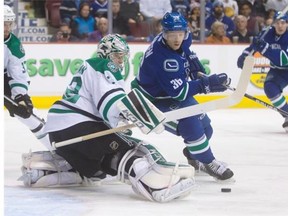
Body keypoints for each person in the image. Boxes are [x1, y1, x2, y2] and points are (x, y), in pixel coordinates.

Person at [18, 34, 195, 202]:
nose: (121, 61)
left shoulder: (90, 67)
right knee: (131, 149)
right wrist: (137, 114)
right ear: (105, 53)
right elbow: (113, 102)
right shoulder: (103, 65)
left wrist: (121, 119)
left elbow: (106, 110)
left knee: (98, 169)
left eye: (123, 56)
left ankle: (51, 170)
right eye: (118, 56)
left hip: (58, 132)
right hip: (79, 125)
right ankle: (157, 186)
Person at [131, 12, 235, 181]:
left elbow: (185, 49)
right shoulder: (163, 59)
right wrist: (209, 83)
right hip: (152, 100)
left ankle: (193, 155)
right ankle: (209, 162)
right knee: (191, 123)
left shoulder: (180, 39)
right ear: (164, 34)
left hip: (168, 93)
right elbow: (180, 93)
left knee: (206, 128)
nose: (177, 39)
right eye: (172, 35)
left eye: (180, 34)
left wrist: (193, 63)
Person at [4, 5, 52, 151]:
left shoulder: (13, 44)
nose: (6, 29)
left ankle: (56, 148)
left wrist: (20, 96)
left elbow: (18, 73)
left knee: (25, 113)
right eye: (2, 24)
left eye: (8, 24)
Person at [237, 11, 288, 132]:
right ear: (273, 23)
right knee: (270, 88)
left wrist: (264, 48)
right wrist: (244, 56)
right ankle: (287, 114)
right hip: (278, 71)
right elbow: (253, 46)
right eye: (278, 23)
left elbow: (284, 59)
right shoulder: (267, 33)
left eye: (283, 23)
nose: (280, 26)